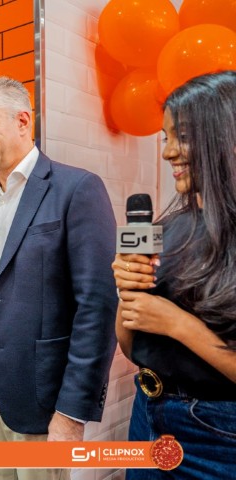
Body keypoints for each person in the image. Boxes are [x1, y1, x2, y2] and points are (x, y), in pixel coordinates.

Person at [0, 77, 118, 480]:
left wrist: (71, 412)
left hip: (42, 392)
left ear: (23, 121)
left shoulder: (76, 189)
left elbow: (97, 307)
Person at [112, 71, 236, 479]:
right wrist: (126, 291)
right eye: (165, 138)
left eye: (181, 136)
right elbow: (131, 345)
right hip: (147, 413)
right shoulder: (162, 229)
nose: (167, 152)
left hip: (216, 434)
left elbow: (168, 324)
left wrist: (178, 324)